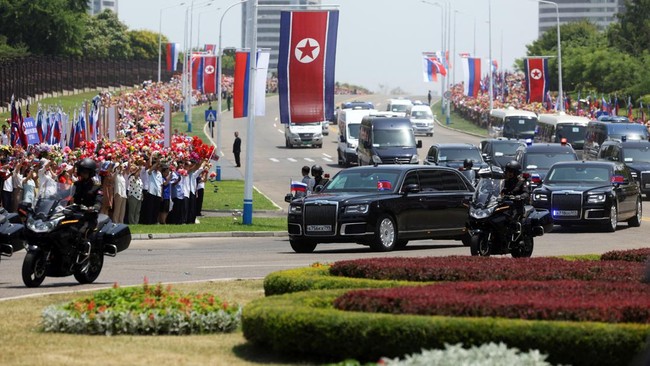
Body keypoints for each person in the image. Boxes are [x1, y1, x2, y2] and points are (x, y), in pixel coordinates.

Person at [72, 158, 103, 251]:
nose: (83, 174)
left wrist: (95, 207)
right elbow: (67, 195)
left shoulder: (96, 186)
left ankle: (86, 250)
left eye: (85, 172)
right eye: (81, 171)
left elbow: (99, 199)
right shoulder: (76, 184)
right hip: (76, 213)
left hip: (89, 215)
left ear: (91, 173)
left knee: (84, 232)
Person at [500, 160, 530, 229]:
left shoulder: (521, 182)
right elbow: (496, 190)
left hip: (516, 206)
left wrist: (520, 196)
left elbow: (526, 193)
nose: (507, 174)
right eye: (507, 171)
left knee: (512, 220)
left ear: (515, 173)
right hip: (504, 205)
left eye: (510, 172)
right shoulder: (503, 182)